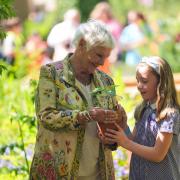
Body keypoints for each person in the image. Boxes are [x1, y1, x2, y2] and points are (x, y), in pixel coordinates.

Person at [30, 20, 127, 180]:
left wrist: (119, 123)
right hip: (59, 172)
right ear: (82, 44)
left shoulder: (107, 81)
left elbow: (113, 131)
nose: (102, 62)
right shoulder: (52, 74)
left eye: (106, 56)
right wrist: (86, 116)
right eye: (98, 55)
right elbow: (46, 117)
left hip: (98, 173)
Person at [105, 56, 180, 179]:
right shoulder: (143, 110)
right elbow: (135, 142)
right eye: (137, 81)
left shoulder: (169, 114)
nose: (139, 86)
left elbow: (158, 154)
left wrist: (125, 142)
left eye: (144, 81)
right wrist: (123, 125)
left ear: (161, 83)